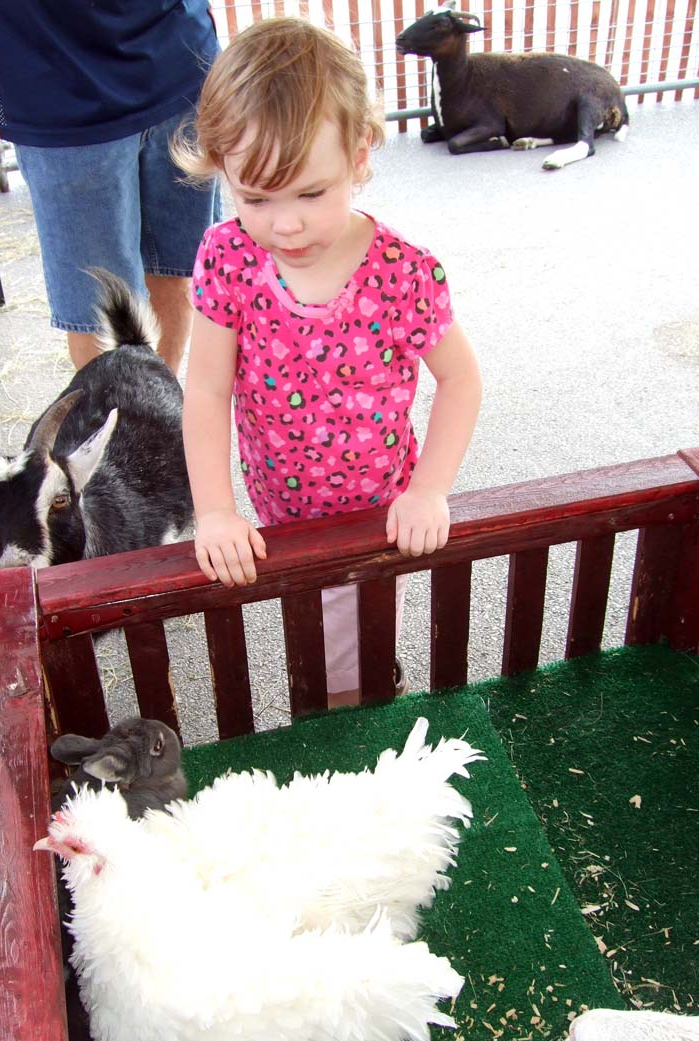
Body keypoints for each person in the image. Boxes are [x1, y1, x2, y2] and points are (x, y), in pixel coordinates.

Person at [175, 17, 482, 707]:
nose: (284, 224)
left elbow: (461, 378)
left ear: (360, 153)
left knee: (354, 655)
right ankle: (335, 685)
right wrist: (217, 511)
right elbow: (205, 388)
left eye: (310, 193)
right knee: (310, 628)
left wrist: (430, 488)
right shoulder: (228, 258)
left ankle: (367, 697)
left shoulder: (404, 271)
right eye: (254, 196)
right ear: (220, 170)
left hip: (379, 515)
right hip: (280, 511)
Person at [0, 0, 220, 373]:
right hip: (56, 85)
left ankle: (158, 416)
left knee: (175, 272)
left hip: (176, 53)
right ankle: (129, 427)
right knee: (103, 313)